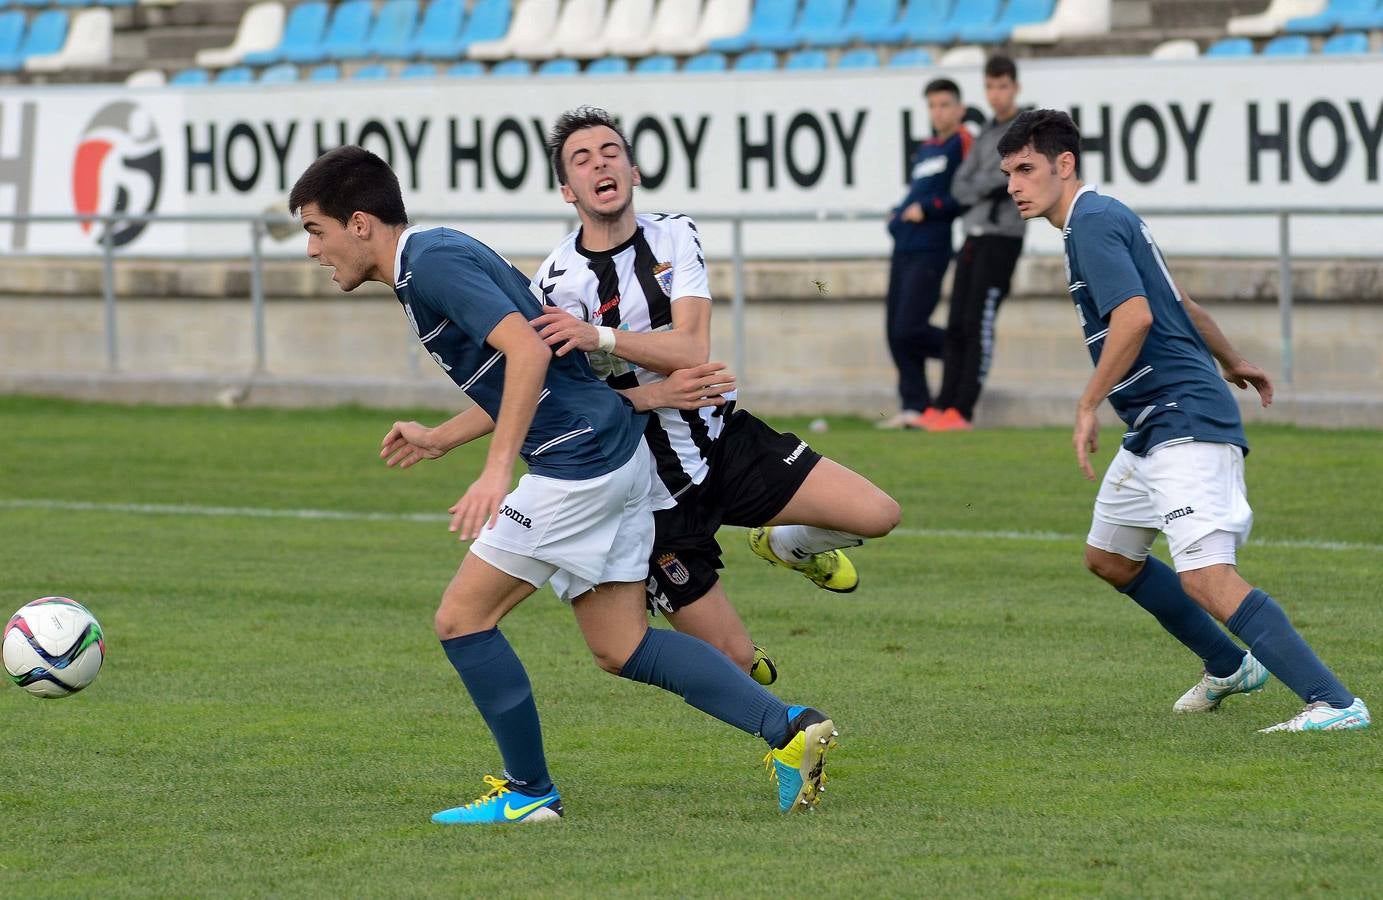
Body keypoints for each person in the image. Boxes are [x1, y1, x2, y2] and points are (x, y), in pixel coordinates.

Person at [288, 146, 841, 824]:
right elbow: (547, 366)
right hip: (609, 453)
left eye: (315, 229)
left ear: (361, 223)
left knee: (463, 621)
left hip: (576, 468)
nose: (312, 249)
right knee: (621, 646)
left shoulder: (429, 264)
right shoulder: (431, 259)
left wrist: (496, 469)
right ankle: (787, 729)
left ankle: (528, 793)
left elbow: (524, 351)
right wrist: (441, 437)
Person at [998, 109, 1369, 732]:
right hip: (1153, 424)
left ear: (1066, 165)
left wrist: (1088, 402)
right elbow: (1181, 303)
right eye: (1008, 172)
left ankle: (1335, 703)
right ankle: (1229, 665)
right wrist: (1235, 359)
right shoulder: (1099, 219)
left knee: (1206, 576)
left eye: (1026, 169)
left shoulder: (1091, 221)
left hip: (1183, 419)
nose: (1014, 184)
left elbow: (1138, 316)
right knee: (1110, 557)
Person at [529, 107, 901, 684]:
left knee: (880, 514)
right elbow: (557, 404)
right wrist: (652, 395)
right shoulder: (555, 281)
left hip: (723, 441)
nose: (598, 163)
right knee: (740, 666)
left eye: (610, 152)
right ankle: (783, 731)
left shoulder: (675, 232)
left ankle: (788, 546)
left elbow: (693, 347)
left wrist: (599, 337)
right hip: (649, 492)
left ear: (633, 171)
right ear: (565, 189)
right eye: (581, 159)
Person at [928, 55, 1028, 432]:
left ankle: (963, 410)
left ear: (1015, 87)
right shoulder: (985, 133)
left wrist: (986, 183)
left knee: (978, 323)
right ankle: (943, 405)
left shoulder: (1025, 130)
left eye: (1003, 86)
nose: (996, 94)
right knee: (956, 323)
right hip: (973, 236)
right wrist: (986, 183)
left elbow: (1005, 177)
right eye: (990, 86)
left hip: (1001, 238)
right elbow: (960, 184)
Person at [878, 78, 971, 430]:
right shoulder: (927, 148)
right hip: (904, 246)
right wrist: (898, 213)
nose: (939, 112)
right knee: (894, 332)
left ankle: (963, 353)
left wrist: (929, 209)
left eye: (945, 104)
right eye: (933, 105)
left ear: (959, 109)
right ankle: (915, 406)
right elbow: (915, 193)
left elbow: (963, 196)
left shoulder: (962, 143)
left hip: (931, 248)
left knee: (909, 328)